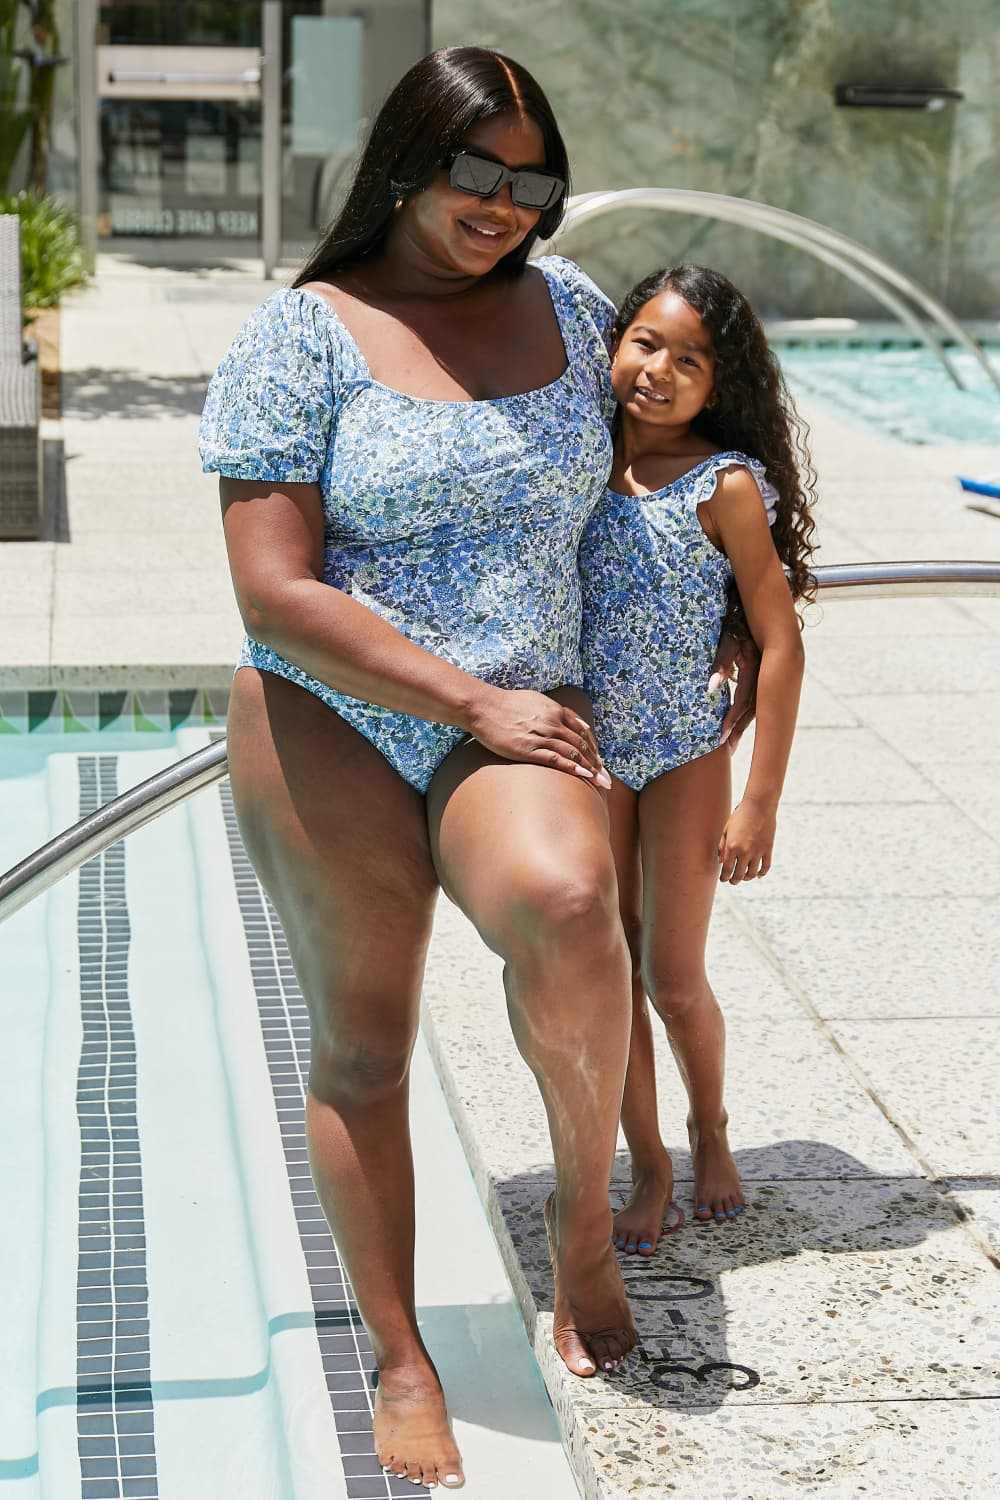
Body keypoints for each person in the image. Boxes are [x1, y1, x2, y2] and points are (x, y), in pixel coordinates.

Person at [199, 46, 643, 1492]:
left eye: (532, 182)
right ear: (409, 161)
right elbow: (276, 593)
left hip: (520, 695)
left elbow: (662, 487)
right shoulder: (302, 335)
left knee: (573, 907)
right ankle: (401, 1353)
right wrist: (467, 700)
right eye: (476, 173)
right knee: (364, 1038)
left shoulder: (576, 313)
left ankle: (582, 1221)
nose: (504, 206)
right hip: (334, 703)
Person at [578, 265, 817, 1255]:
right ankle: (648, 1159)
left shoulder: (722, 485)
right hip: (590, 749)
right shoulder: (576, 463)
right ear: (612, 345)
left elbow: (780, 637)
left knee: (672, 978)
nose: (660, 371)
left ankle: (709, 1127)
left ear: (722, 384)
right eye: (644, 343)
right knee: (608, 972)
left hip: (682, 748)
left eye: (690, 359)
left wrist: (757, 802)